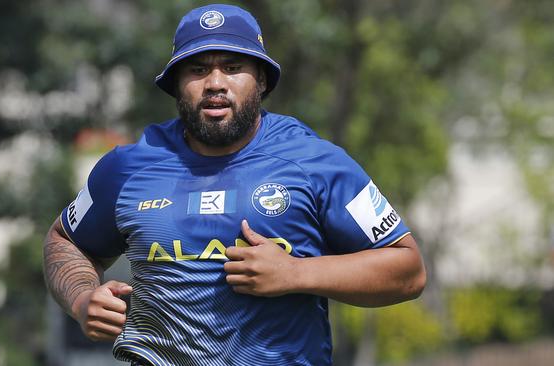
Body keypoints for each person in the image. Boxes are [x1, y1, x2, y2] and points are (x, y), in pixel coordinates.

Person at [43, 4, 426, 366]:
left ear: (261, 79)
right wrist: (81, 300)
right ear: (176, 84)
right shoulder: (126, 167)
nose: (214, 83)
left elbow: (408, 270)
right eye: (196, 69)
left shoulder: (318, 163)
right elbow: (65, 239)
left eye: (232, 67)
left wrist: (296, 274)